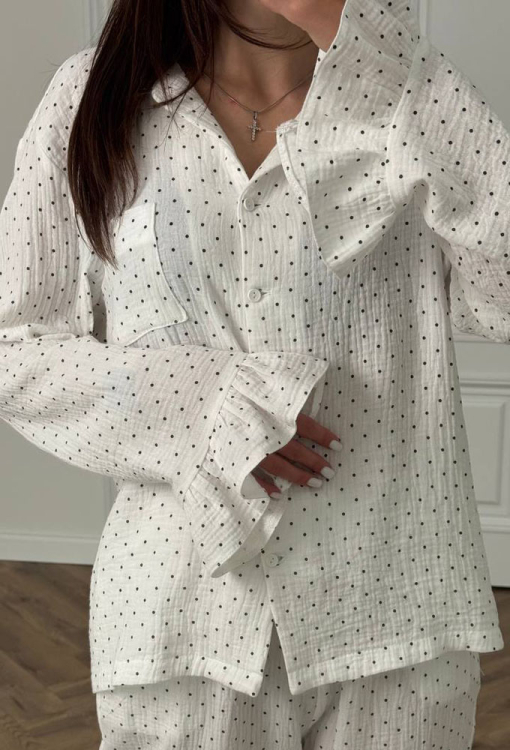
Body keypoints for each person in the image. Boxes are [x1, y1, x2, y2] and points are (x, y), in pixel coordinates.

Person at [0, 0, 507, 747]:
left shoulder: (404, 93)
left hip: (398, 610)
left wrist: (384, 59)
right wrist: (206, 406)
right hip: (182, 620)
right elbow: (16, 346)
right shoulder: (90, 99)